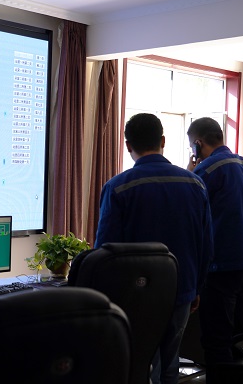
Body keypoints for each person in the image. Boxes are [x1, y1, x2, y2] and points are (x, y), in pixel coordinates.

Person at [95, 113, 213, 384]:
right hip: (181, 291)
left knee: (138, 367)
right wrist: (197, 287)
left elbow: (105, 253)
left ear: (128, 145)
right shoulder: (195, 184)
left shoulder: (118, 187)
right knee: (169, 364)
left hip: (135, 295)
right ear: (162, 141)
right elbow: (206, 244)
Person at [186, 117, 243, 383]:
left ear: (198, 144)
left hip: (221, 267)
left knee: (217, 341)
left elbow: (188, 209)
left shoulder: (207, 171)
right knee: (240, 336)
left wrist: (191, 172)